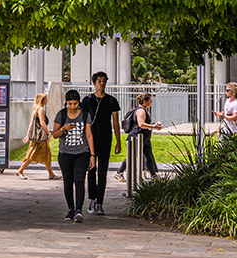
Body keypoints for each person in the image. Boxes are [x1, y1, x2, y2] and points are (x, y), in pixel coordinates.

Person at [51, 89, 95, 222]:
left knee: (80, 180)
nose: (72, 106)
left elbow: (88, 135)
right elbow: (54, 135)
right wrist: (64, 129)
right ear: (66, 103)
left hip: (82, 152)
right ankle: (70, 209)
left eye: (75, 104)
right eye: (70, 104)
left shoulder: (85, 115)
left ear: (78, 103)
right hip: (65, 154)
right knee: (68, 182)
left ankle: (79, 210)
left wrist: (92, 154)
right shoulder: (62, 115)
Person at [82, 71, 121, 215]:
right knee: (91, 170)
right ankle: (91, 199)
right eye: (99, 81)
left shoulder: (111, 101)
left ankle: (100, 202)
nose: (102, 83)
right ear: (94, 83)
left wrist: (118, 141)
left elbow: (115, 122)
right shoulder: (87, 101)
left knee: (103, 172)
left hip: (105, 139)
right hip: (90, 140)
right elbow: (82, 121)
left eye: (104, 81)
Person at [116, 93, 161, 180]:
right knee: (131, 156)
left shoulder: (144, 110)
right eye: (150, 100)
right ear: (145, 101)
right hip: (137, 138)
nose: (151, 102)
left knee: (148, 155)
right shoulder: (141, 111)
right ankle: (119, 172)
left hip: (144, 139)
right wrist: (153, 126)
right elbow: (141, 124)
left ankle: (153, 175)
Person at [16, 93, 56, 180]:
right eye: (45, 99)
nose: (47, 100)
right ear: (42, 100)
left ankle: (51, 174)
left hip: (37, 138)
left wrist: (28, 135)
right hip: (40, 138)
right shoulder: (41, 109)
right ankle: (20, 170)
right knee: (32, 155)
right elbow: (42, 123)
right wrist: (49, 133)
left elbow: (31, 123)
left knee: (46, 154)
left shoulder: (35, 109)